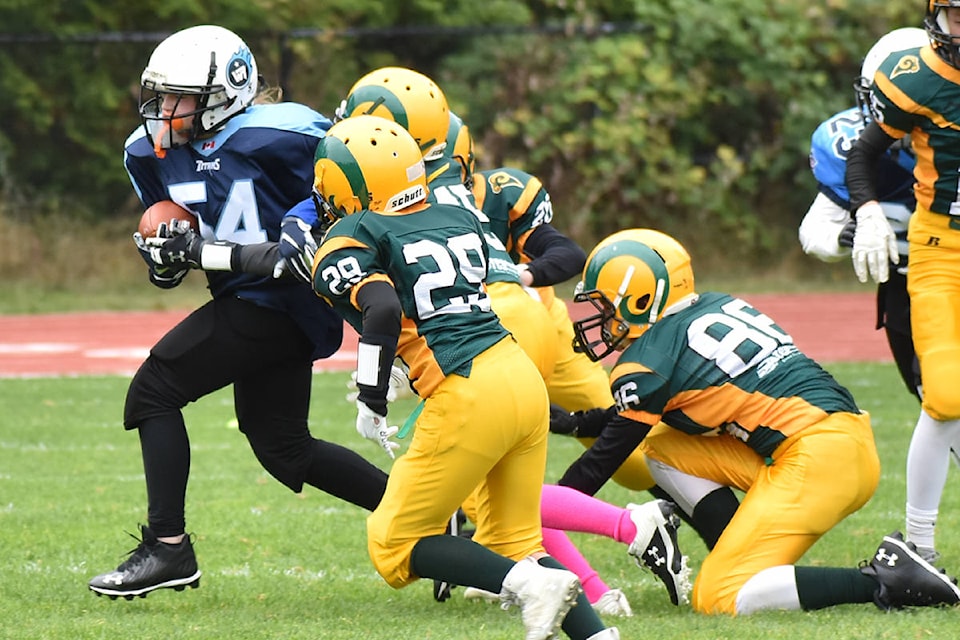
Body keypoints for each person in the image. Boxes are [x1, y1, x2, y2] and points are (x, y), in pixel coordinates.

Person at [333, 70, 695, 611]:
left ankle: (627, 532)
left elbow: (386, 297)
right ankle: (611, 572)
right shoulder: (486, 189)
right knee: (632, 452)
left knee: (489, 493)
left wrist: (383, 376)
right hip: (534, 322)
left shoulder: (394, 198)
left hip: (478, 329)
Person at [87, 25, 390, 600]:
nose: (164, 111)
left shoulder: (290, 134)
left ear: (226, 91)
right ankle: (421, 513)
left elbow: (349, 193)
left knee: (154, 390)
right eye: (160, 96)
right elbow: (177, 243)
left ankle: (168, 548)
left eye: (179, 98)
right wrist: (166, 258)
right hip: (245, 297)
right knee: (283, 446)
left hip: (292, 299)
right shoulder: (148, 151)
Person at [309, 113, 618, 640]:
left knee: (393, 542)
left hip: (468, 389)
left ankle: (527, 584)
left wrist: (371, 393)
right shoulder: (458, 215)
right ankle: (599, 636)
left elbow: (381, 308)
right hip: (518, 373)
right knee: (519, 539)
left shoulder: (355, 231)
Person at [555, 227, 960, 615]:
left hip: (818, 462)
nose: (602, 321)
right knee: (661, 444)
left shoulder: (650, 360)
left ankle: (886, 579)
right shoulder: (713, 306)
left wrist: (540, 514)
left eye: (606, 308)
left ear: (641, 300)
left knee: (717, 596)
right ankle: (735, 546)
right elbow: (640, 415)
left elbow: (600, 464)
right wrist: (577, 423)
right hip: (836, 443)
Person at [846, 2, 960, 564]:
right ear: (936, 21)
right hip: (942, 251)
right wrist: (867, 211)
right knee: (944, 396)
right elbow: (864, 153)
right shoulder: (915, 78)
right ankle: (919, 546)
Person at [800, 27, 928, 402]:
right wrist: (850, 235)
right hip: (904, 290)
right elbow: (815, 231)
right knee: (936, 401)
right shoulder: (847, 146)